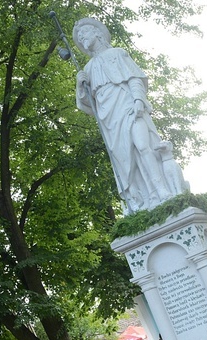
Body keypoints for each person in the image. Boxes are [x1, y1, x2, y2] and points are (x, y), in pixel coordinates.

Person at [74, 18, 187, 214]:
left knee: (143, 145)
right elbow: (88, 105)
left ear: (98, 33)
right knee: (125, 158)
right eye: (79, 36)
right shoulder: (89, 68)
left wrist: (138, 100)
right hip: (109, 119)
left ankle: (161, 190)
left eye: (84, 32)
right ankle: (141, 198)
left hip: (127, 106)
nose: (81, 37)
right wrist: (80, 85)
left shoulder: (117, 54)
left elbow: (134, 78)